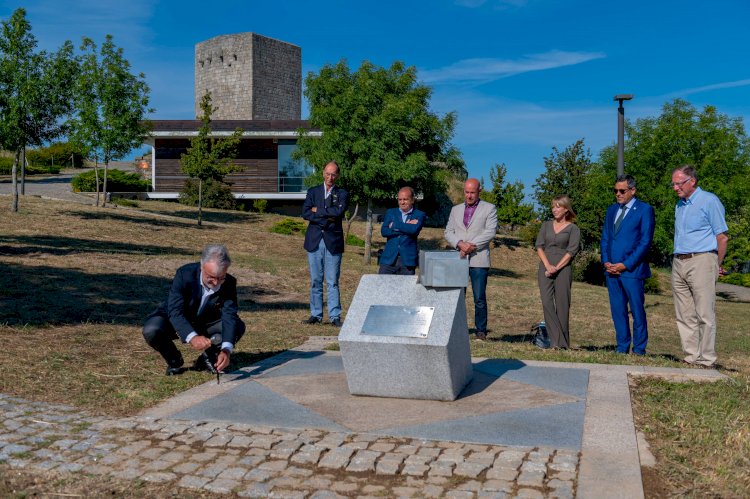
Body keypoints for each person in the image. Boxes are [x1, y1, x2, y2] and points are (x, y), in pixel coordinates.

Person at [142, 244, 245, 376]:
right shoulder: (184, 275)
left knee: (237, 326)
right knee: (152, 330)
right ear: (202, 266)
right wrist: (192, 337)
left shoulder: (229, 283)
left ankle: (209, 357)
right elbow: (175, 311)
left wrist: (226, 349)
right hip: (174, 319)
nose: (216, 283)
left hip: (206, 322)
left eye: (221, 277)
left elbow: (229, 316)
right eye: (211, 277)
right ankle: (174, 360)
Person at [671, 164, 729, 367]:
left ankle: (707, 358)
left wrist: (716, 263)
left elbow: (722, 237)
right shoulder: (679, 205)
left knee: (704, 313)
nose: (675, 188)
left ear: (692, 181)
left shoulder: (709, 201)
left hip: (703, 259)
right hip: (679, 261)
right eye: (673, 184)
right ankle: (691, 355)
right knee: (684, 313)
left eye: (678, 184)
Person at [600, 175, 655, 355]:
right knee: (618, 311)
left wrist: (626, 264)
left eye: (622, 191)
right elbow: (606, 238)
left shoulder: (645, 210)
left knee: (637, 311)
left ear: (633, 190)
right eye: (615, 190)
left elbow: (645, 241)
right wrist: (606, 261)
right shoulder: (611, 210)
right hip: (611, 271)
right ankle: (622, 347)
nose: (618, 194)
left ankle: (639, 349)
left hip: (632, 270)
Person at [445, 178, 498, 340]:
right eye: (467, 192)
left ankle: (480, 330)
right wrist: (460, 244)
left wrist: (471, 246)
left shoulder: (489, 208)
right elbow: (448, 232)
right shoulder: (455, 210)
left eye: (472, 192)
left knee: (479, 297)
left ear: (479, 191)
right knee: (457, 296)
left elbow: (490, 232)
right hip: (458, 258)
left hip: (478, 259)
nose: (469, 196)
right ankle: (457, 329)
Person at [301, 161, 350, 327]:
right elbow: (306, 213)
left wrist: (318, 210)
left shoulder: (342, 194)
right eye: (328, 173)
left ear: (338, 175)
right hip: (314, 241)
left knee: (332, 281)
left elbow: (338, 213)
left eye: (334, 174)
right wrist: (326, 213)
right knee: (316, 280)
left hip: (333, 241)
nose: (330, 177)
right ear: (323, 173)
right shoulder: (313, 191)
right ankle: (316, 314)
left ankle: (335, 315)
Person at [535, 195, 580, 349]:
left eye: (558, 206)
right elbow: (539, 246)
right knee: (547, 303)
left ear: (566, 209)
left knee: (562, 305)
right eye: (553, 206)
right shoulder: (546, 225)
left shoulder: (573, 229)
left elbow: (571, 251)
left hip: (564, 269)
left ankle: (562, 343)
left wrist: (557, 267)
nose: (554, 209)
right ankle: (557, 341)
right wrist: (548, 266)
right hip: (545, 268)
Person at [379, 186, 426, 275]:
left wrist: (394, 225)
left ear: (412, 200)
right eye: (400, 199)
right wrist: (406, 226)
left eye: (405, 199)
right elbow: (384, 231)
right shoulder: (391, 212)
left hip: (407, 261)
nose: (402, 202)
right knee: (382, 288)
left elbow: (413, 230)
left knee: (406, 289)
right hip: (388, 260)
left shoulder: (419, 214)